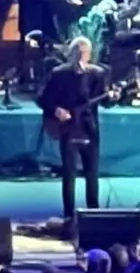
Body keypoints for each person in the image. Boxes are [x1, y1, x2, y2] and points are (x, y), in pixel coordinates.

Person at [38, 37, 113, 224]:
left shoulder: (98, 74)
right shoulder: (59, 73)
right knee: (69, 173)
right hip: (68, 128)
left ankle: (93, 214)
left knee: (92, 173)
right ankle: (69, 216)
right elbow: (42, 98)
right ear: (71, 54)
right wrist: (57, 110)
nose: (82, 56)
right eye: (78, 52)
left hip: (89, 128)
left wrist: (113, 97)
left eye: (85, 53)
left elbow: (106, 101)